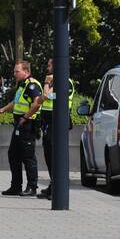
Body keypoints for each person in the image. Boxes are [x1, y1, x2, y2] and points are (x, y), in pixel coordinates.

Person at [0, 60, 44, 196]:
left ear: (26, 72)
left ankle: (32, 187)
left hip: (27, 125)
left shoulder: (32, 85)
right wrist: (3, 110)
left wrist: (26, 117)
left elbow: (37, 104)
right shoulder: (22, 85)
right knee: (13, 155)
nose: (14, 73)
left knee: (28, 157)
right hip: (20, 124)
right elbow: (16, 102)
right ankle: (16, 186)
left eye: (17, 71)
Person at [37, 58, 76, 200]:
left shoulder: (65, 81)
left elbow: (46, 96)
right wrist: (46, 91)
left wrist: (47, 83)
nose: (47, 68)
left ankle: (57, 188)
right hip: (48, 123)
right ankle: (53, 185)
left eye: (49, 65)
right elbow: (42, 99)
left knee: (54, 156)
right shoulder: (55, 82)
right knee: (49, 156)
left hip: (57, 124)